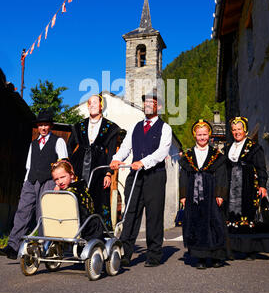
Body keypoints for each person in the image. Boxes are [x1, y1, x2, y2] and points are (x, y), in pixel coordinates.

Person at [110, 89, 172, 267]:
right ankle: (126, 253)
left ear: (158, 106)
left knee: (154, 215)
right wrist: (116, 159)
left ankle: (154, 255)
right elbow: (125, 147)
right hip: (135, 176)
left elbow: (162, 152)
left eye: (151, 102)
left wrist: (143, 162)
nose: (147, 105)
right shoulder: (135, 127)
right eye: (145, 102)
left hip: (155, 176)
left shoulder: (165, 128)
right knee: (131, 213)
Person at [0, 110, 68, 260]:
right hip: (31, 181)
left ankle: (44, 248)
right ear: (37, 127)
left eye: (45, 125)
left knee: (44, 215)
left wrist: (58, 184)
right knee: (22, 212)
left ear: (50, 126)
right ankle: (13, 246)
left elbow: (63, 164)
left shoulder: (58, 141)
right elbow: (29, 165)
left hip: (48, 181)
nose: (43, 128)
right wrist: (25, 183)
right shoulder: (33, 144)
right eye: (40, 125)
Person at [224, 116, 269, 260]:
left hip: (248, 187)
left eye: (239, 129)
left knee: (248, 216)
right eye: (234, 130)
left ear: (245, 130)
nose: (236, 132)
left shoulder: (254, 147)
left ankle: (250, 249)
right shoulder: (228, 148)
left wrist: (262, 186)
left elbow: (261, 168)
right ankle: (234, 247)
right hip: (231, 188)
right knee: (233, 216)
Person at [179, 119, 228, 269]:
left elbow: (221, 175)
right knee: (196, 223)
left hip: (211, 191)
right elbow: (183, 177)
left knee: (215, 222)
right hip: (193, 191)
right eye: (199, 134)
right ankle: (199, 258)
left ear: (209, 135)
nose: (202, 137)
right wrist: (183, 195)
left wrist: (220, 194)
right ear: (195, 135)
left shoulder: (216, 155)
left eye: (205, 134)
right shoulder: (188, 156)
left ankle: (216, 257)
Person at [67, 94, 120, 229]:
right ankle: (75, 230)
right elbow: (70, 146)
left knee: (99, 199)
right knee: (77, 197)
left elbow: (112, 153)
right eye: (89, 103)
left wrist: (108, 173)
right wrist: (69, 168)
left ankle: (98, 233)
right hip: (79, 166)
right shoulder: (79, 125)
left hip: (99, 168)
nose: (92, 105)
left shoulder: (111, 127)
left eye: (95, 103)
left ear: (102, 106)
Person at [51, 159, 103, 240]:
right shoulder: (66, 191)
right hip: (70, 225)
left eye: (62, 177)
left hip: (85, 226)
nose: (60, 182)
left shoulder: (79, 188)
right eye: (56, 179)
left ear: (71, 175)